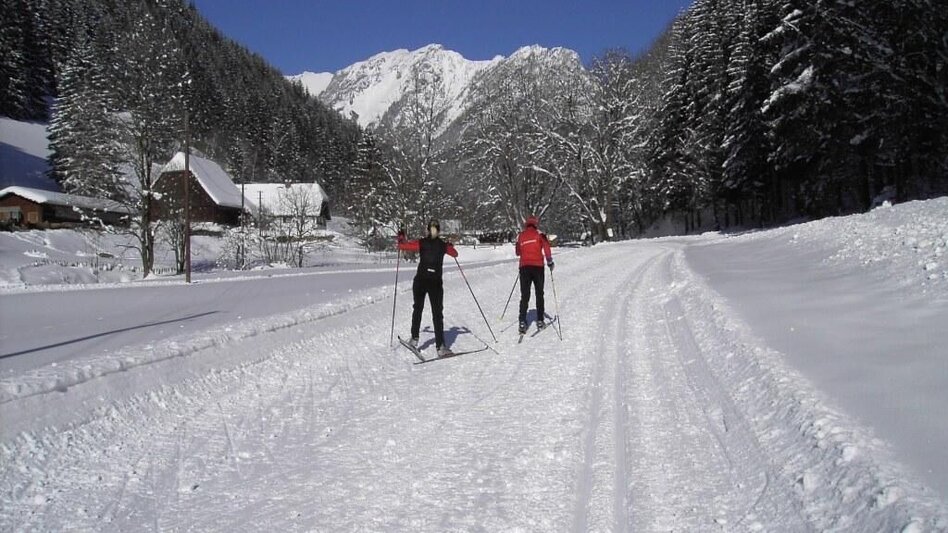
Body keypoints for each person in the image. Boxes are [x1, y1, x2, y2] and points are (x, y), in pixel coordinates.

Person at [397, 219, 458, 357]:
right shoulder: (442, 245)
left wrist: (401, 236)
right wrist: (448, 245)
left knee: (418, 309)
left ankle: (414, 339)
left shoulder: (422, 242)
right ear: (438, 230)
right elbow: (454, 254)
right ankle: (440, 346)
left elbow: (403, 246)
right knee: (436, 313)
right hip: (433, 283)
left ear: (428, 230)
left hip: (422, 280)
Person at [515, 215, 554, 334]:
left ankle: (522, 321)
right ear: (535, 224)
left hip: (524, 267)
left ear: (526, 224)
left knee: (525, 295)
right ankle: (540, 320)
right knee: (539, 293)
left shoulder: (520, 235)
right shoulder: (539, 234)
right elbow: (546, 247)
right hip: (538, 267)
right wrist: (550, 261)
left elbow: (517, 252)